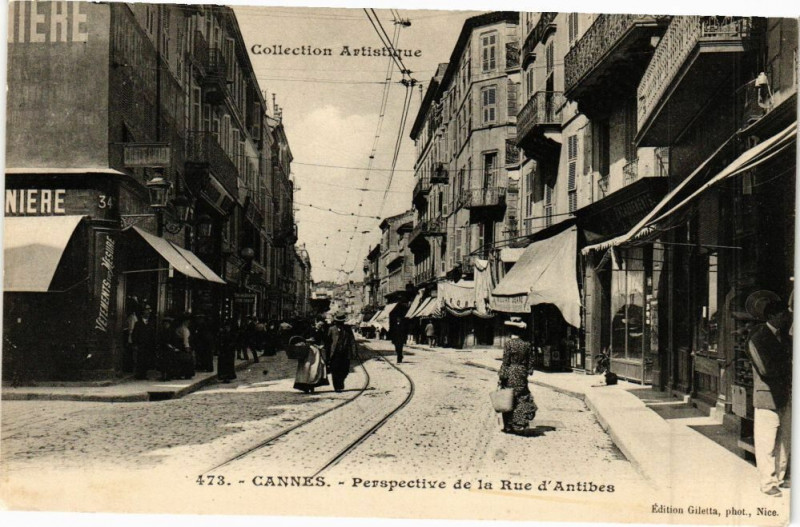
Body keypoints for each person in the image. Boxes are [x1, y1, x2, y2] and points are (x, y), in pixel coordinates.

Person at [745, 290, 793, 497]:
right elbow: (765, 369)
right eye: (783, 315)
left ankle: (780, 478)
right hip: (767, 398)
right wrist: (790, 366)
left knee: (785, 441)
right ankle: (768, 483)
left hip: (785, 395)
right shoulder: (757, 338)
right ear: (773, 316)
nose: (787, 318)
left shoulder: (784, 337)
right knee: (766, 443)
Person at [498, 316, 537, 435]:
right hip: (521, 373)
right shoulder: (527, 344)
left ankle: (508, 426)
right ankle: (519, 423)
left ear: (511, 331)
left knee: (508, 398)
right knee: (521, 397)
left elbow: (506, 362)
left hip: (511, 372)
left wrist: (502, 376)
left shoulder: (509, 344)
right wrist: (527, 371)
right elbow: (531, 361)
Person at [325, 311, 356, 392]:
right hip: (335, 354)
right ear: (336, 321)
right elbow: (328, 342)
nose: (340, 323)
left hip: (345, 353)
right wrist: (327, 354)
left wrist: (354, 352)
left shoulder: (348, 329)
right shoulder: (331, 329)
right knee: (335, 370)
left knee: (345, 370)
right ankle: (337, 386)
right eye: (339, 322)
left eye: (341, 322)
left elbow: (352, 341)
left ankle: (341, 382)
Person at [292, 329, 330, 394]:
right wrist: (306, 340)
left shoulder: (322, 330)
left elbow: (326, 340)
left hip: (315, 351)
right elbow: (298, 339)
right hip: (306, 351)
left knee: (315, 368)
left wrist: (321, 346)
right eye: (319, 322)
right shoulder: (306, 329)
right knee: (305, 369)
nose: (320, 324)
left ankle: (312, 386)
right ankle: (305, 386)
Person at [130, 304, 156, 380]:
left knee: (146, 360)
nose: (147, 314)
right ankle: (139, 375)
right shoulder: (138, 324)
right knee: (140, 360)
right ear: (143, 314)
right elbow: (134, 334)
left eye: (148, 313)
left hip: (148, 345)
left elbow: (152, 335)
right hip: (140, 344)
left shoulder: (151, 324)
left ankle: (144, 374)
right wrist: (135, 344)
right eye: (146, 313)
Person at [217, 318, 237, 383]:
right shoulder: (222, 333)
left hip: (229, 351)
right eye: (226, 326)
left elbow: (234, 342)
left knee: (229, 365)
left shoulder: (232, 334)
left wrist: (231, 346)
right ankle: (224, 377)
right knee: (223, 365)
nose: (227, 328)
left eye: (228, 327)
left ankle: (228, 377)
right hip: (224, 351)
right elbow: (219, 342)